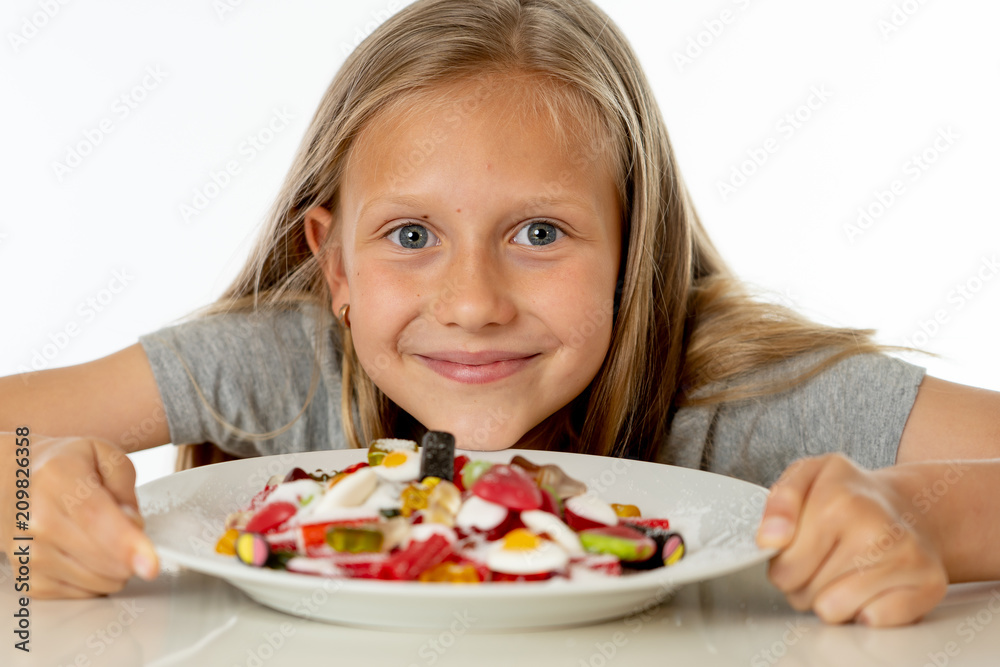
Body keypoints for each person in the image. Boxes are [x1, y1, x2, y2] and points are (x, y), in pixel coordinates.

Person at [1, 0, 997, 626]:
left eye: (537, 234)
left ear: (634, 255)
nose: (471, 305)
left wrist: (920, 516)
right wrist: (22, 504)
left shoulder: (734, 390)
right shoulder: (280, 365)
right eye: (409, 237)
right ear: (332, 265)